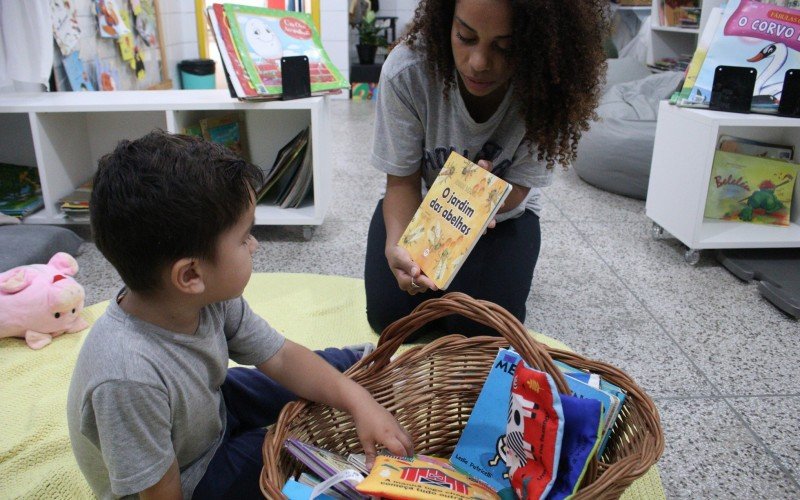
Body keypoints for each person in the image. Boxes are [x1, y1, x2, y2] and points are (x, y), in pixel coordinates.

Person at [66, 130, 413, 499]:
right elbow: (160, 493)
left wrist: (357, 399)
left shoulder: (207, 296)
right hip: (191, 476)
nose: (255, 244)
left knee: (331, 371)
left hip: (208, 409)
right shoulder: (127, 377)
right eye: (244, 236)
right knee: (291, 455)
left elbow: (279, 356)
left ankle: (365, 380)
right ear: (191, 275)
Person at [364, 0, 608, 337]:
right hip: (422, 204)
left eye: (505, 47)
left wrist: (483, 200)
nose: (479, 63)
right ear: (446, 23)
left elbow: (521, 186)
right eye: (465, 37)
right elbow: (401, 182)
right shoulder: (408, 70)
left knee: (484, 330)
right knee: (391, 320)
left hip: (504, 217)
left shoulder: (551, 85)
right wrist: (398, 246)